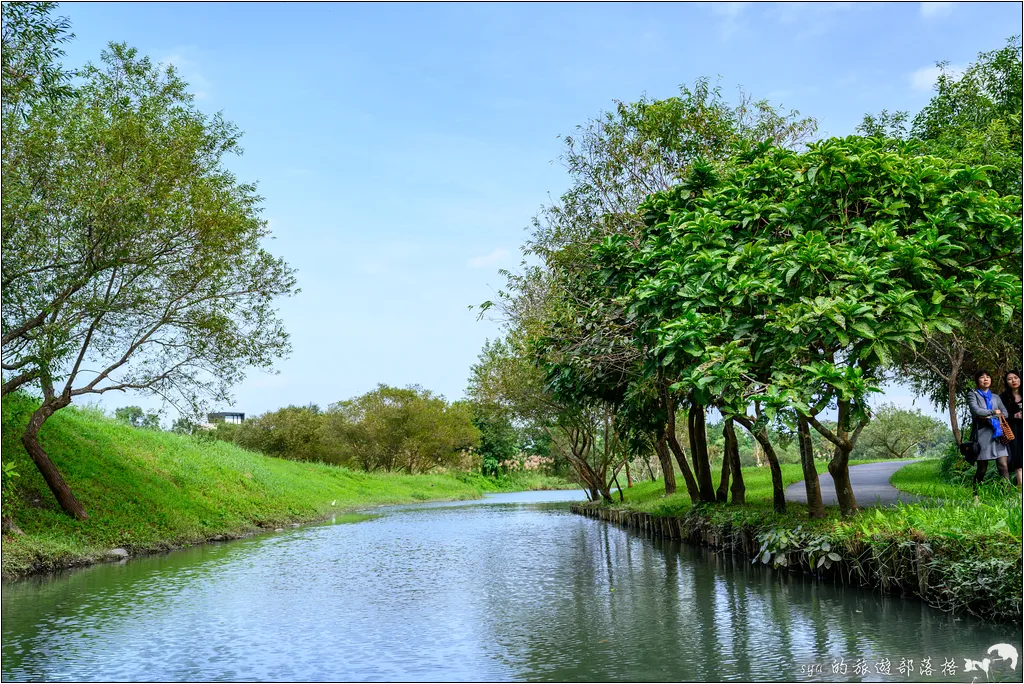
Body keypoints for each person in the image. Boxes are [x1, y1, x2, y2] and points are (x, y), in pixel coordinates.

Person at [968, 370, 1011, 501]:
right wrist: (993, 412)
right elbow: (976, 411)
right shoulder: (973, 394)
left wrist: (989, 415)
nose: (985, 379)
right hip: (982, 434)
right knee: (982, 468)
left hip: (998, 434)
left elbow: (1005, 413)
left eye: (988, 377)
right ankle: (976, 496)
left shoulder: (996, 397)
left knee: (1003, 465)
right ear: (977, 380)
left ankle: (1007, 497)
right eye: (982, 377)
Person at [999, 370, 1023, 487]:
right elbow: (1000, 415)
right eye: (1009, 379)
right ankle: (1019, 486)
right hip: (1012, 430)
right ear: (1006, 382)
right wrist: (1014, 416)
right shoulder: (1003, 397)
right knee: (1017, 455)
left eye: (1015, 377)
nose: (1013, 381)